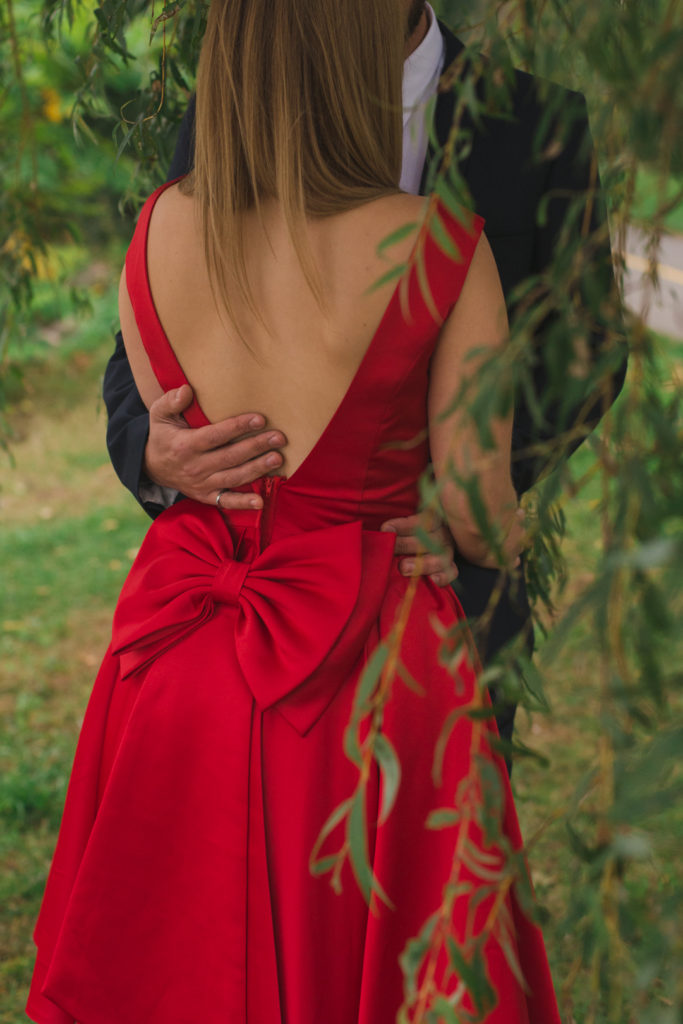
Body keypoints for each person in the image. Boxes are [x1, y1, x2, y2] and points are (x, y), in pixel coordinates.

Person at [25, 0, 565, 1020]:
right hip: (365, 679)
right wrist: (472, 529)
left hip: (172, 666)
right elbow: (479, 509)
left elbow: (167, 415)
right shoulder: (438, 243)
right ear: (352, 65)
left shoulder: (158, 225)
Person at [102, 1, 627, 752]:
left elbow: (589, 348)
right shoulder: (224, 119)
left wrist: (461, 498)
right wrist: (151, 452)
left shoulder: (539, 119)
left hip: (429, 601)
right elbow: (151, 335)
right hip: (229, 612)